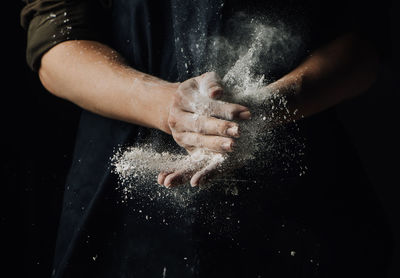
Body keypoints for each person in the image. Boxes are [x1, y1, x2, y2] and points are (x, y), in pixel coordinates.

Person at [21, 0, 392, 277]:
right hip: (119, 206)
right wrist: (166, 104)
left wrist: (265, 108)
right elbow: (55, 43)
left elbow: (363, 44)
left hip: (300, 201)